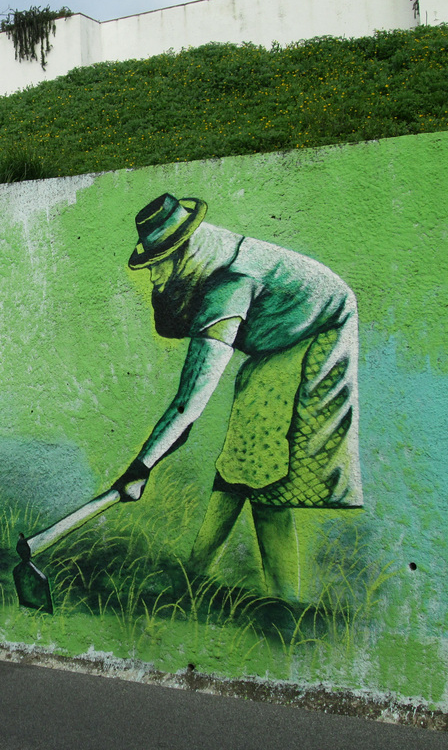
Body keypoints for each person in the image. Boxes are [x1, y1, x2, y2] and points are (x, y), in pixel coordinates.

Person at [108, 194, 362, 600]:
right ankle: (194, 576)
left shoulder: (228, 286)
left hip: (317, 333)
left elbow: (188, 403)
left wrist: (141, 467)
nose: (154, 277)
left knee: (269, 479)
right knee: (238, 463)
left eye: (158, 263)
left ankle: (285, 603)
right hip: (276, 343)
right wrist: (150, 462)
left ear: (183, 250)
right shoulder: (211, 258)